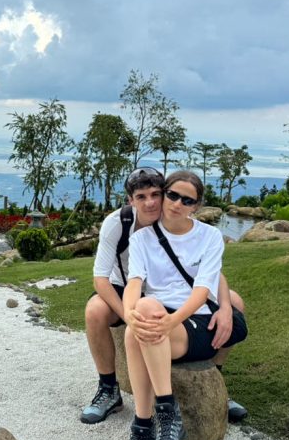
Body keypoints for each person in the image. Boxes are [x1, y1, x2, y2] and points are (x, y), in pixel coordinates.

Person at [80, 168, 248, 426]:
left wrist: (224, 306)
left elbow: (206, 272)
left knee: (234, 302)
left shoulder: (174, 213)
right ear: (130, 200)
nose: (150, 202)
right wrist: (129, 315)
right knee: (95, 311)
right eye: (141, 196)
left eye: (156, 194)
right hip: (126, 286)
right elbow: (101, 278)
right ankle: (108, 388)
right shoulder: (120, 224)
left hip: (172, 291)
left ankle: (215, 379)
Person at [123, 171, 248, 440]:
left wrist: (171, 321)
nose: (178, 203)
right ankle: (147, 423)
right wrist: (128, 313)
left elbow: (203, 290)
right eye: (173, 195)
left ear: (197, 206)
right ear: (165, 193)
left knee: (143, 318)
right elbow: (134, 282)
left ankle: (159, 416)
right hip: (159, 315)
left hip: (198, 321)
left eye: (187, 200)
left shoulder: (210, 236)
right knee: (137, 322)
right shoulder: (142, 239)